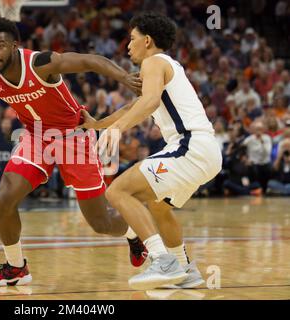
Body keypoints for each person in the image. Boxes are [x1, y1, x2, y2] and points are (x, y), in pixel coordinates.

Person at [0, 16, 145, 287]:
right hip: (36, 138)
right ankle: (16, 267)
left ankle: (134, 231)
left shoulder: (41, 63)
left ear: (14, 46)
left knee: (100, 222)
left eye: (0, 45)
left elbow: (89, 60)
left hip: (73, 137)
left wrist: (125, 77)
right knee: (5, 198)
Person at [80, 12, 222, 289]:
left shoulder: (154, 61)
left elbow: (150, 101)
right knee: (158, 206)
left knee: (118, 191)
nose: (128, 46)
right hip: (205, 151)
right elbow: (137, 105)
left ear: (147, 40)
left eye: (132, 39)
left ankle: (163, 261)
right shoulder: (166, 66)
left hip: (189, 146)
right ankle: (185, 269)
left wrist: (118, 128)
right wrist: (99, 124)